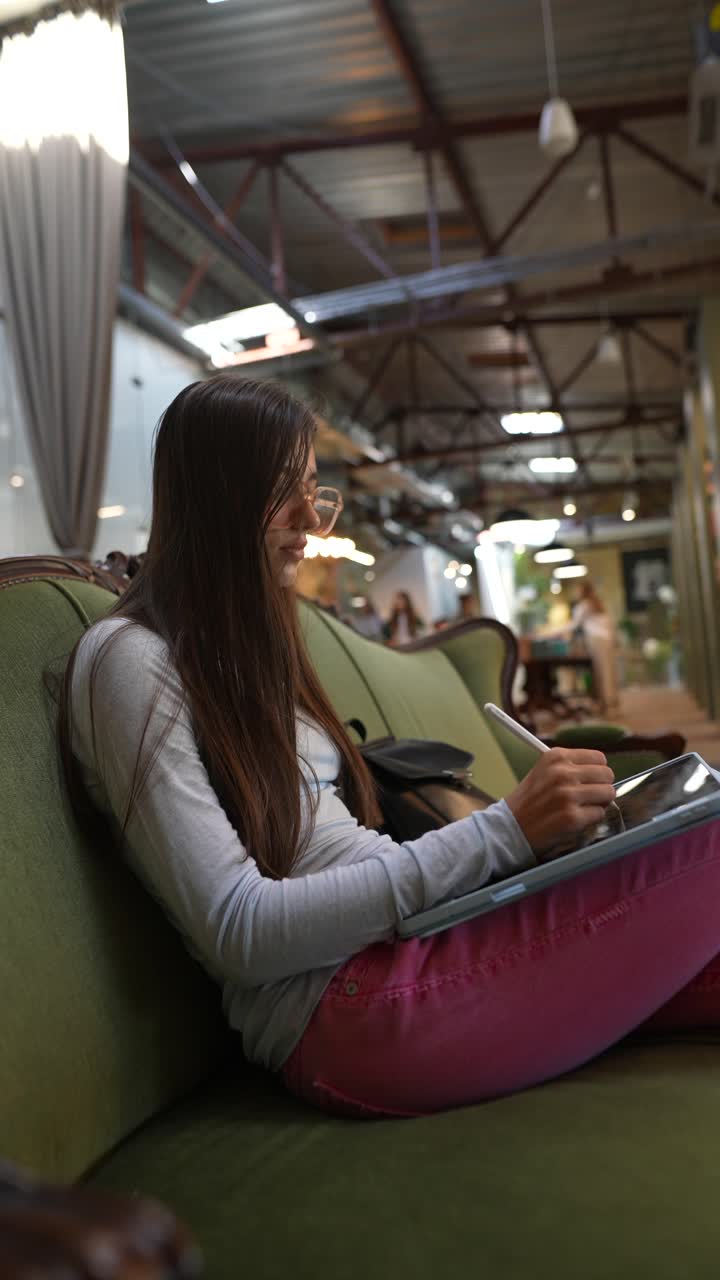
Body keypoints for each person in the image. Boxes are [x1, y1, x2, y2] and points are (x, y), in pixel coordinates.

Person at [57, 374, 720, 1118]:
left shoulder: (239, 657)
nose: (310, 520)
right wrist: (503, 834)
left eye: (313, 490)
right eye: (282, 491)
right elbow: (237, 930)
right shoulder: (129, 662)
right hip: (344, 1005)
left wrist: (524, 848)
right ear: (215, 497)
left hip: (411, 947)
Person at [570, 580, 620, 714]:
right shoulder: (598, 603)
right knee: (608, 672)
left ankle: (608, 706)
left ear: (582, 591)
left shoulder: (584, 606)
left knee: (602, 673)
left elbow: (574, 625)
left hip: (596, 640)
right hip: (607, 639)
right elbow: (609, 623)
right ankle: (610, 704)